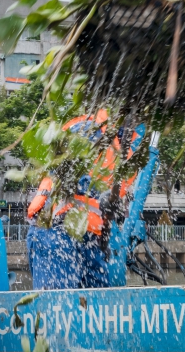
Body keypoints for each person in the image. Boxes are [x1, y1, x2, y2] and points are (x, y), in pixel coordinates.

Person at [26, 110, 139, 290]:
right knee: (59, 309)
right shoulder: (89, 129)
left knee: (97, 310)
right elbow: (67, 175)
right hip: (57, 231)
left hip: (90, 237)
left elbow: (107, 204)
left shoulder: (125, 148)